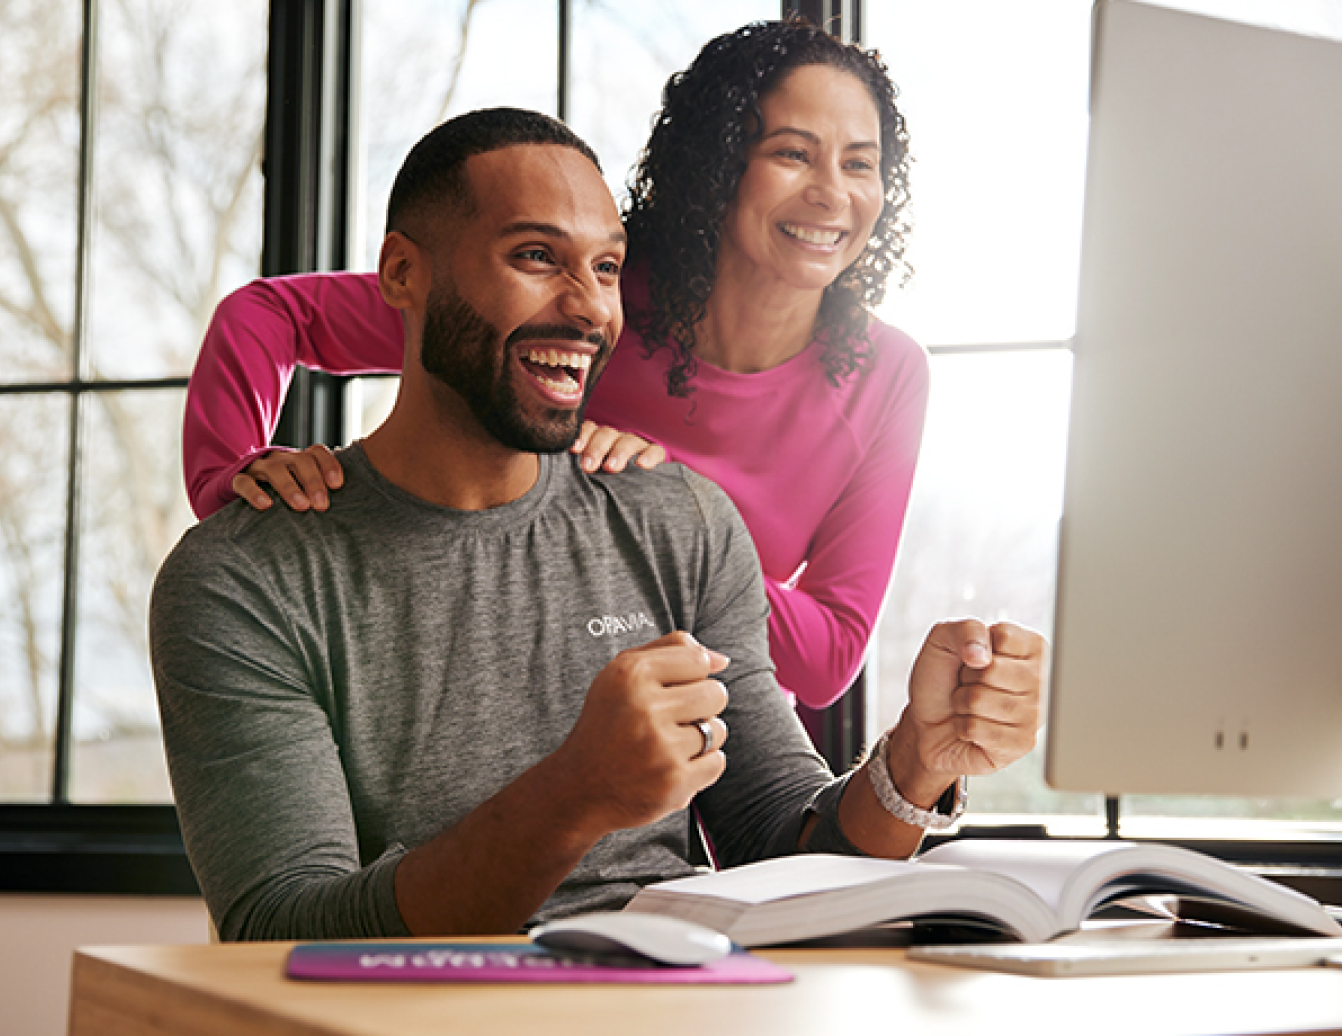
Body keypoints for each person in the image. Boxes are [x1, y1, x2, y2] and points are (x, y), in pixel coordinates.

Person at [150, 107, 1043, 941]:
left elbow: (788, 853)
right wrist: (577, 793)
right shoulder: (244, 576)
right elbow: (282, 933)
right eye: (537, 257)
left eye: (607, 267)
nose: (588, 308)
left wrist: (915, 766)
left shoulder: (679, 523)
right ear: (401, 274)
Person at [181, 19, 922, 711]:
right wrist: (228, 476)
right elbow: (270, 315)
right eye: (792, 154)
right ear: (720, 162)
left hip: (704, 747)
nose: (832, 193)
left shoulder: (888, 375)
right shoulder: (581, 300)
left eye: (861, 163)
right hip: (477, 701)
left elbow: (828, 659)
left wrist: (660, 523)